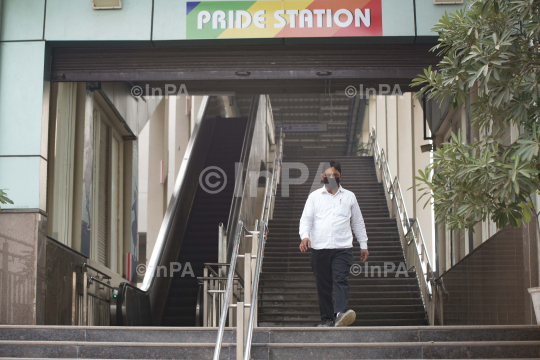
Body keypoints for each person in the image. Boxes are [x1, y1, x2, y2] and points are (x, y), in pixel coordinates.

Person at [299, 160, 369, 327]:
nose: (331, 178)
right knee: (323, 285)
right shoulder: (314, 197)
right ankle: (327, 319)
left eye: (335, 176)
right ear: (322, 176)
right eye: (328, 175)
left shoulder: (349, 196)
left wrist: (363, 244)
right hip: (319, 248)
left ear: (340, 176)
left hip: (342, 248)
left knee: (340, 279)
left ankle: (340, 313)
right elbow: (306, 219)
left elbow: (357, 222)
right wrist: (304, 236)